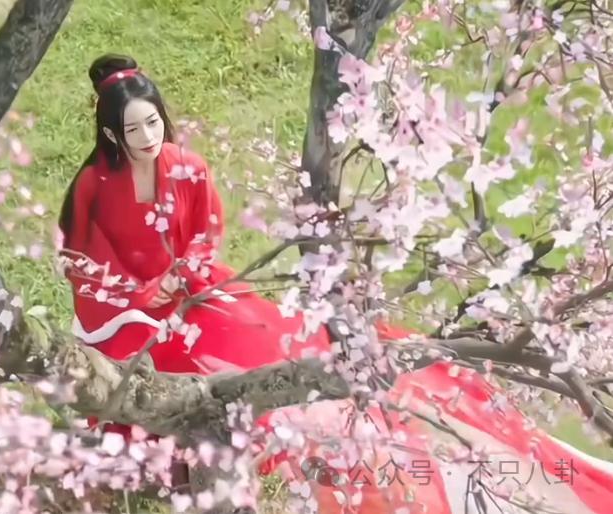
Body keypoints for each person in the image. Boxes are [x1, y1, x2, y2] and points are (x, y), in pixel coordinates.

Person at [57, 53, 613, 513]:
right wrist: (142, 295)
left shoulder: (188, 166)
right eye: (133, 129)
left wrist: (184, 274)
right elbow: (85, 261)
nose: (147, 136)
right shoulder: (93, 186)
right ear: (111, 133)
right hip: (131, 309)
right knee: (162, 370)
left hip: (194, 288)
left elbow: (207, 231)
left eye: (153, 122)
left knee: (263, 347)